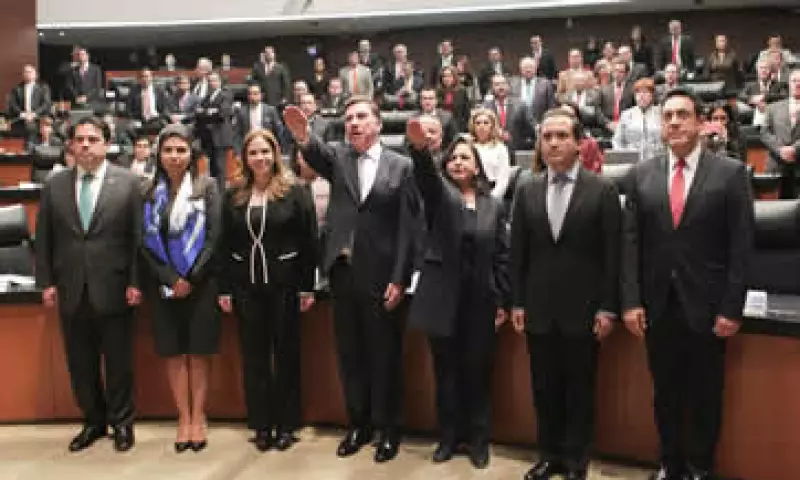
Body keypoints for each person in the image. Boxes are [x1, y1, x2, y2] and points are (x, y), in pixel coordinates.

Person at [621, 87, 754, 480]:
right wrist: (630, 301)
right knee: (665, 393)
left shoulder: (730, 174)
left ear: (700, 122)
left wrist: (733, 306)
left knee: (705, 394)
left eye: (683, 114)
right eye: (668, 116)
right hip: (658, 305)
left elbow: (741, 248)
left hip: (709, 307)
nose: (675, 122)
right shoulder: (641, 175)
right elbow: (630, 245)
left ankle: (699, 467)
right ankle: (670, 463)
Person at [282, 98, 418, 463]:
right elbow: (317, 154)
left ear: (377, 124)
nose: (353, 123)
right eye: (348, 118)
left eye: (361, 117)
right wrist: (303, 136)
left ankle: (389, 428)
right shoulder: (340, 158)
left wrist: (400, 276)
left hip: (382, 276)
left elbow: (408, 228)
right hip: (343, 273)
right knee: (350, 355)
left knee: (384, 355)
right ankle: (359, 425)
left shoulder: (401, 166)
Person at [510, 108, 621, 480]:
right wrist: (518, 301)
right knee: (544, 388)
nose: (554, 143)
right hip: (539, 309)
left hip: (585, 310)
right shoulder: (526, 189)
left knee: (580, 389)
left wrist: (608, 307)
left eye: (561, 136)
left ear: (578, 143)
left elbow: (612, 256)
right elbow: (518, 253)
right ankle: (548, 456)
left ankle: (576, 460)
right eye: (547, 137)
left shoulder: (602, 190)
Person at [35, 116, 143, 453]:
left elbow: (136, 240)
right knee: (81, 364)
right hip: (71, 288)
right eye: (79, 139)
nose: (85, 145)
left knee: (118, 363)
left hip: (114, 286)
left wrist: (135, 282)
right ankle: (93, 422)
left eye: (92, 139)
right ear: (69, 146)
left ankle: (122, 425)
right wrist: (46, 282)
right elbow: (44, 239)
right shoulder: (55, 184)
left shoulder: (128, 183)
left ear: (107, 144)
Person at [406, 122, 510, 469]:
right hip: (443, 300)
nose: (459, 163)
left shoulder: (493, 206)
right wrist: (422, 152)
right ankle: (449, 437)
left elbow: (501, 255)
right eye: (453, 158)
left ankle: (479, 439)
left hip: (480, 301)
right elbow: (426, 178)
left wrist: (501, 299)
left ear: (478, 165)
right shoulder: (439, 197)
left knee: (477, 373)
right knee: (446, 372)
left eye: (466, 157)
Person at [218, 129, 318, 452]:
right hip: (247, 288)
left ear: (275, 154)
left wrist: (307, 286)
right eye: (253, 153)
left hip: (285, 286)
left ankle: (288, 424)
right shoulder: (233, 194)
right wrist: (226, 289)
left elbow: (309, 241)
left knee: (287, 355)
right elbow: (225, 244)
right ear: (244, 159)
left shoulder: (295, 191)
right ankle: (261, 424)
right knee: (254, 358)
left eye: (265, 152)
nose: (259, 158)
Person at [141, 125, 223, 453]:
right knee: (174, 353)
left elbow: (216, 238)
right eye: (168, 150)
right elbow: (143, 241)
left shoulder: (209, 187)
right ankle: (183, 416)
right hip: (163, 284)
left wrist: (190, 277)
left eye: (181, 150)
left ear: (192, 154)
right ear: (159, 155)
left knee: (199, 353)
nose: (175, 156)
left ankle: (199, 416)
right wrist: (169, 278)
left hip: (200, 284)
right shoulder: (147, 191)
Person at [760, 69, 800, 199]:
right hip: (777, 166)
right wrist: (780, 149)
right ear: (789, 84)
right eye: (794, 81)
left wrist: (794, 149)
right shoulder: (773, 107)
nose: (797, 84)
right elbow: (764, 133)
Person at [195, 72, 234, 192]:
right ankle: (213, 193)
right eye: (210, 81)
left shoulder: (225, 95)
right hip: (209, 137)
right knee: (212, 168)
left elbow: (222, 114)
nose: (212, 83)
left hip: (220, 137)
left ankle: (221, 194)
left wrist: (207, 113)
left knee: (220, 168)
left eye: (214, 80)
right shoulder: (207, 97)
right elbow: (198, 113)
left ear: (219, 82)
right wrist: (209, 112)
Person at [612, 78, 663, 162]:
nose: (641, 96)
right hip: (631, 161)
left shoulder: (660, 113)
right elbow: (617, 141)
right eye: (638, 92)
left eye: (645, 92)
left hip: (656, 160)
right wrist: (623, 157)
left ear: (652, 95)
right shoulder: (626, 114)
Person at [469, 108, 512, 199]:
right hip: (470, 192)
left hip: (492, 192)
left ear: (492, 126)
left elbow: (503, 181)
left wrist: (491, 200)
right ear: (473, 126)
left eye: (486, 123)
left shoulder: (500, 148)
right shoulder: (467, 146)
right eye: (478, 123)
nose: (481, 126)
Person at [436, 66, 470, 133]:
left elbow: (466, 112)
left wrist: (465, 128)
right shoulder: (437, 92)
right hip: (442, 126)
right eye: (444, 76)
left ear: (454, 77)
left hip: (458, 126)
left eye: (449, 76)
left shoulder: (462, 91)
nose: (446, 79)